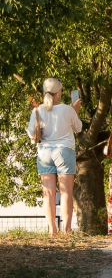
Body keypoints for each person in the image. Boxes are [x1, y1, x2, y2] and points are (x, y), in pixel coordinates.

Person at [26, 78, 82, 235]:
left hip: (44, 152)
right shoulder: (67, 109)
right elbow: (78, 128)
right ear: (59, 92)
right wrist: (75, 111)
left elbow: (31, 134)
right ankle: (67, 229)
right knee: (66, 192)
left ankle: (52, 231)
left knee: (48, 194)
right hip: (64, 151)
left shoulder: (37, 111)